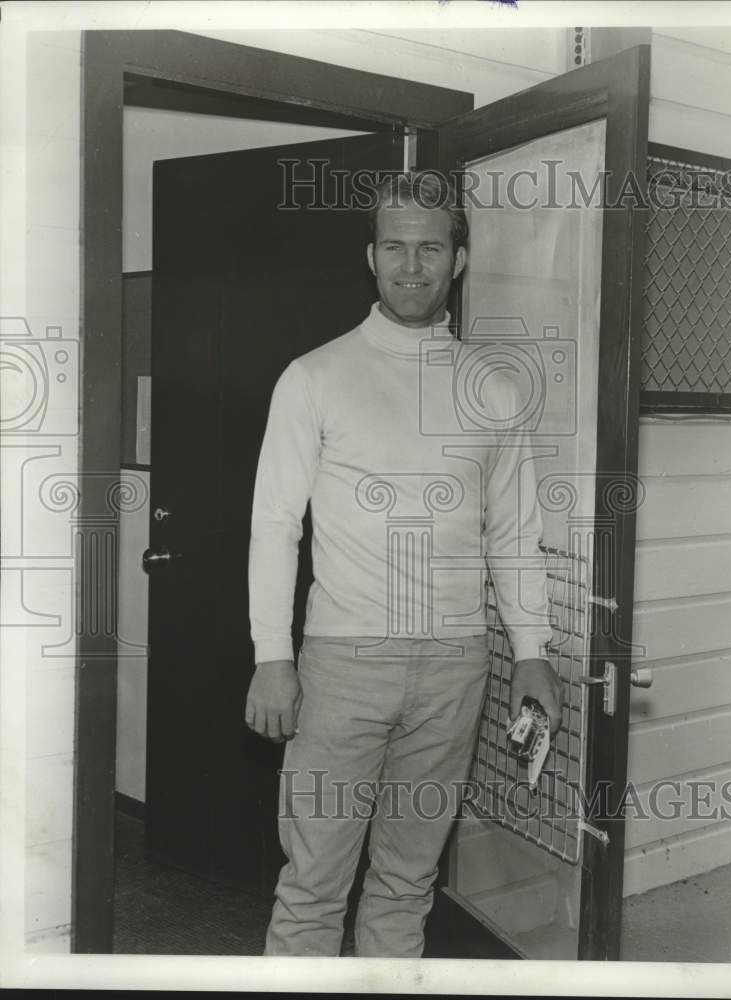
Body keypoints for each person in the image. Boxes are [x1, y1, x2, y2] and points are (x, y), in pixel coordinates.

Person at [244, 171, 562, 958]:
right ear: (370, 256)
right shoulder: (313, 377)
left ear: (456, 260)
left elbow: (512, 534)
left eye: (429, 247)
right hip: (339, 670)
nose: (410, 265)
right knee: (313, 885)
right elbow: (274, 526)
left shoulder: (492, 388)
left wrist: (531, 652)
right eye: (394, 246)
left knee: (404, 885)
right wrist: (271, 658)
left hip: (454, 668)